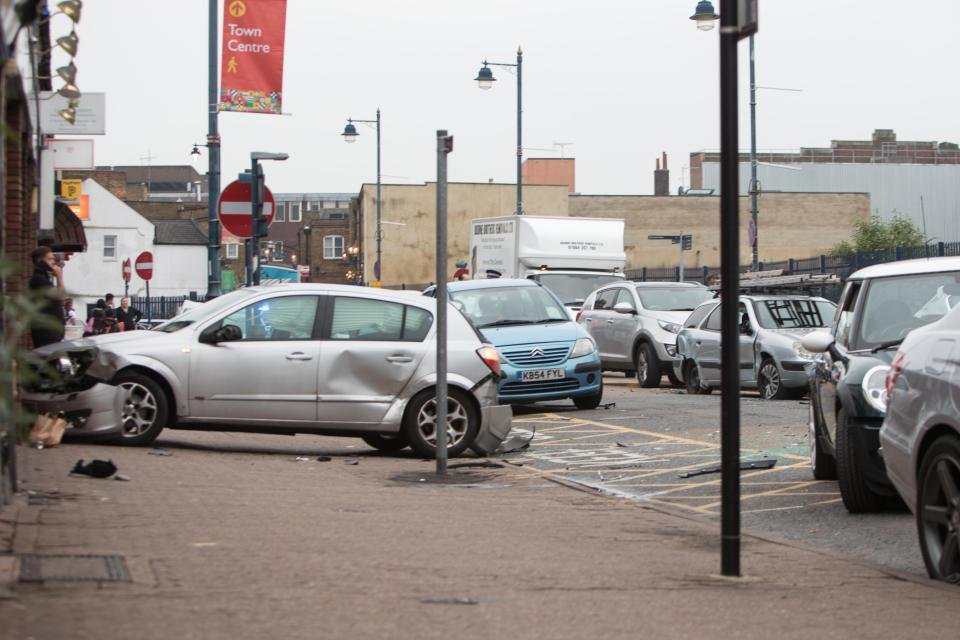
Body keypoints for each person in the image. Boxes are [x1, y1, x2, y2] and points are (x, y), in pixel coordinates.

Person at [28, 245, 65, 347]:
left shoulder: (43, 278)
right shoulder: (39, 279)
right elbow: (61, 298)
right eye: (50, 259)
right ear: (40, 261)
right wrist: (59, 276)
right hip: (46, 333)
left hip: (51, 332)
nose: (53, 262)